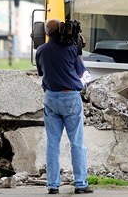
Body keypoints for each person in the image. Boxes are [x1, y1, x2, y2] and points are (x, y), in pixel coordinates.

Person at [35, 19, 93, 195]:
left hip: (50, 97)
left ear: (46, 33)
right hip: (70, 97)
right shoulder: (70, 49)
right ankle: (80, 184)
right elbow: (82, 73)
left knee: (52, 143)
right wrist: (78, 50)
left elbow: (41, 72)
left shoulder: (41, 50)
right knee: (77, 143)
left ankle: (53, 185)